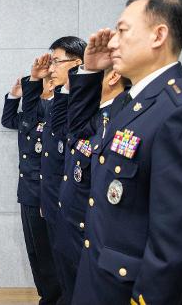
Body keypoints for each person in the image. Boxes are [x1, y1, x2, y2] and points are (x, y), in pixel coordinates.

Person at [70, 0, 182, 304]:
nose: (112, 42)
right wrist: (89, 74)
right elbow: (81, 137)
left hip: (133, 290)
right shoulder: (132, 101)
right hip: (101, 277)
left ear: (158, 35)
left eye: (122, 31)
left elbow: (174, 245)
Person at [56, 66, 129, 303]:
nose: (80, 84)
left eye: (89, 77)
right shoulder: (93, 115)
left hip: (90, 230)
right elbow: (66, 129)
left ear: (113, 76)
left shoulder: (121, 116)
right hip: (71, 223)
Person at [26, 37, 87, 305]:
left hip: (73, 201)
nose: (51, 68)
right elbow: (32, 123)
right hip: (53, 196)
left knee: (74, 271)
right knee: (57, 266)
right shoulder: (61, 97)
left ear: (77, 64)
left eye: (56, 61)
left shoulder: (84, 101)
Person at [1, 57, 61, 304]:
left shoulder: (57, 109)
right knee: (35, 252)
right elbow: (9, 120)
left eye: (49, 80)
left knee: (49, 253)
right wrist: (15, 94)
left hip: (46, 191)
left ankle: (54, 298)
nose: (45, 85)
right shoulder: (32, 113)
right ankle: (46, 296)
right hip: (27, 190)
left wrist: (38, 87)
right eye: (42, 82)